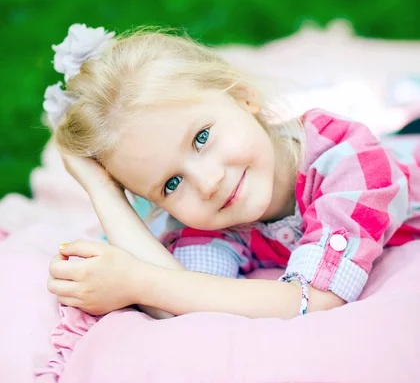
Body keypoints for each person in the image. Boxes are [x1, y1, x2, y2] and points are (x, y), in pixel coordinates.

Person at [45, 24, 420, 319]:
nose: (208, 183)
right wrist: (103, 191)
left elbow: (315, 301)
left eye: (201, 138)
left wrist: (138, 282)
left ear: (243, 96)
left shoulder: (349, 162)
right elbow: (178, 303)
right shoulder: (208, 217)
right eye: (171, 184)